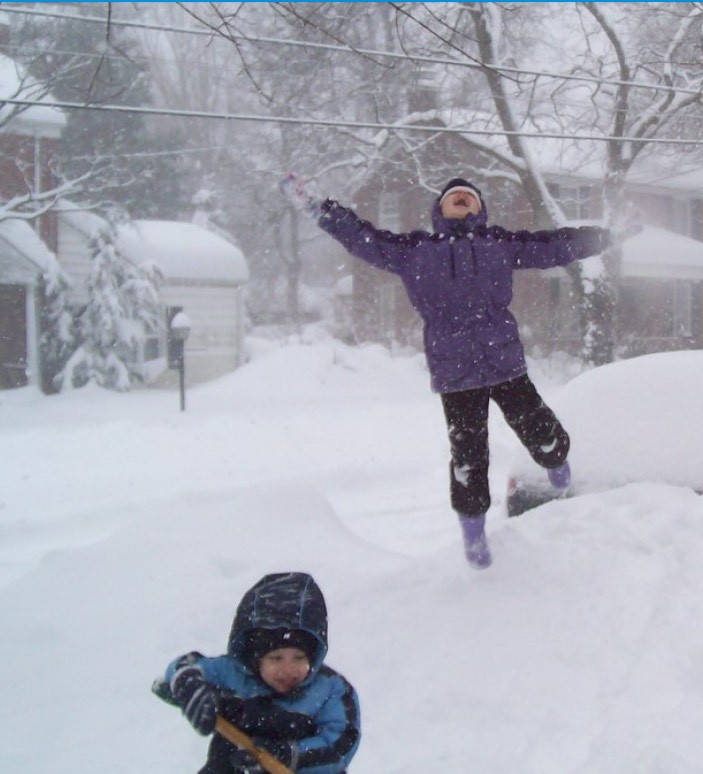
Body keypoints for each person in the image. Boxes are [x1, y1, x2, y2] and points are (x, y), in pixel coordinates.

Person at [301, 177, 611, 569]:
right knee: (468, 456)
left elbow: (553, 246)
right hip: (456, 372)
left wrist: (605, 237)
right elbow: (363, 238)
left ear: (480, 210)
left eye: (469, 197)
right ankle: (473, 530)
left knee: (537, 424)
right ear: (439, 211)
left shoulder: (498, 244)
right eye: (453, 197)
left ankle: (557, 465)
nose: (461, 198)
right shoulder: (415, 252)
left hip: (503, 362)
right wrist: (323, 210)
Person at [155, 572, 360, 773]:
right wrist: (187, 684)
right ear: (256, 657)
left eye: (299, 657)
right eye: (276, 658)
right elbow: (186, 667)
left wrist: (287, 755)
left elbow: (340, 745)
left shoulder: (330, 689)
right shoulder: (235, 673)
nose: (288, 670)